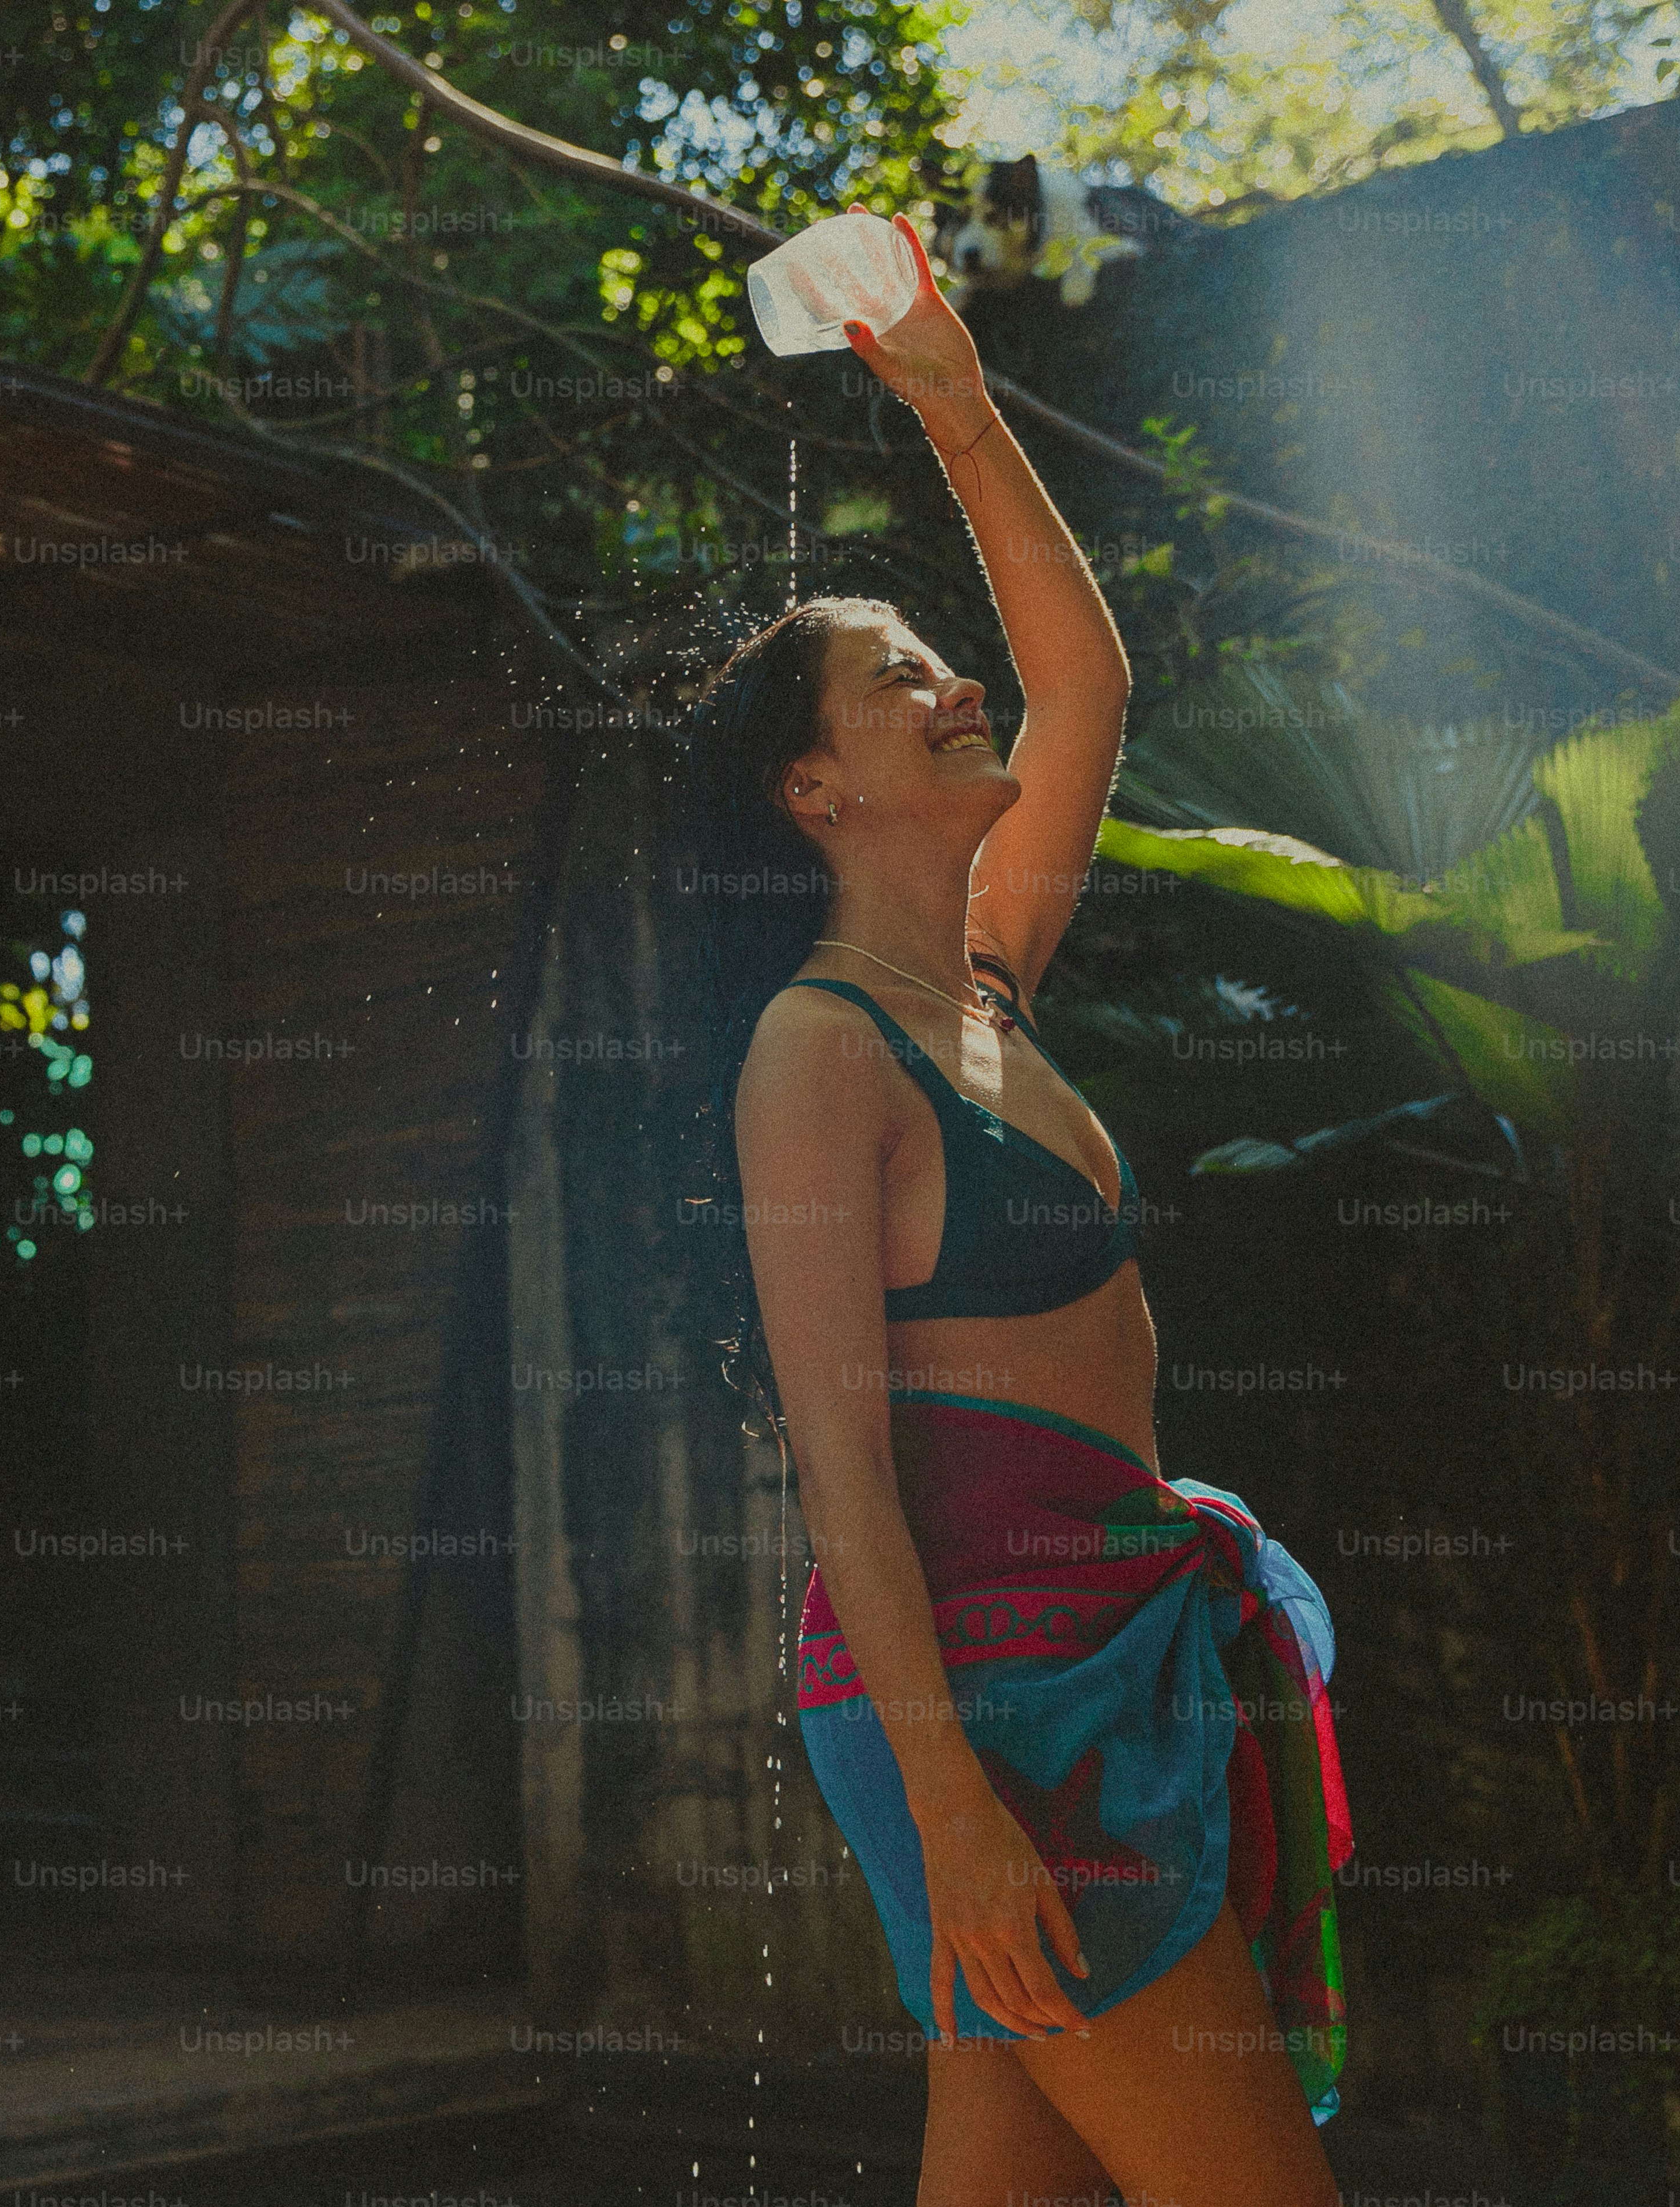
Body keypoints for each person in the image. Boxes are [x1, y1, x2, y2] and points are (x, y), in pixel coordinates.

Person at [679, 212, 1351, 2203]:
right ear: (814, 791)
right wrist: (958, 1807)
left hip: (1102, 1660)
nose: (955, 687)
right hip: (992, 1714)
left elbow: (1087, 678)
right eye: (900, 681)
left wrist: (962, 411)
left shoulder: (977, 982)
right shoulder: (815, 1056)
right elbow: (840, 1464)